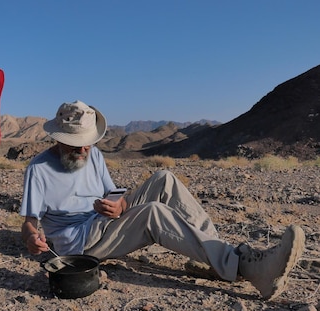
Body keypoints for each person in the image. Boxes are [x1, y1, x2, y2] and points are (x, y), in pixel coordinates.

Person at [19, 100, 305, 300]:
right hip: (79, 243)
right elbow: (29, 223)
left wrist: (121, 205)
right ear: (58, 138)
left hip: (102, 221)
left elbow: (114, 197)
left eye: (87, 141)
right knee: (153, 213)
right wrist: (32, 238)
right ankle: (246, 267)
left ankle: (215, 260)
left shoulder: (93, 155)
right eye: (76, 142)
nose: (83, 148)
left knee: (164, 178)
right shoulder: (39, 169)